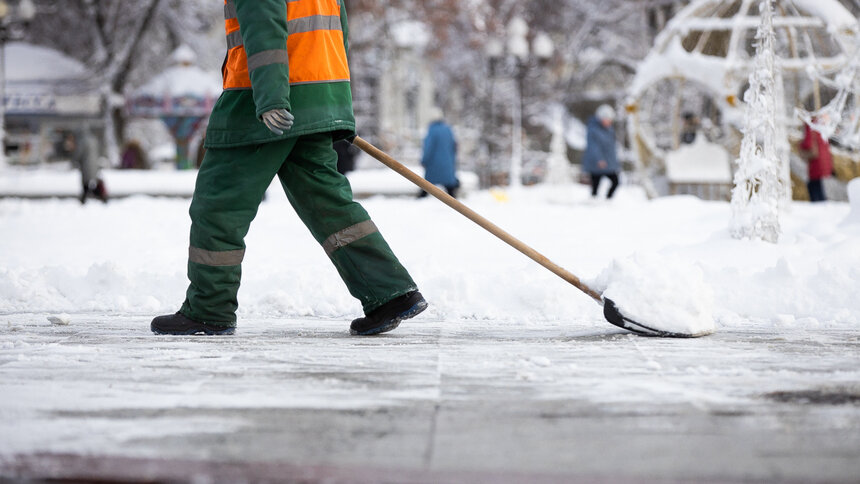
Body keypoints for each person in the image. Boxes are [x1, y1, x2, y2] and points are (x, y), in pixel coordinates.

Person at [151, 0, 426, 336]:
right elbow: (339, 34)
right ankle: (389, 293)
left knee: (219, 204)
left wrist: (271, 100)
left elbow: (264, 28)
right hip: (320, 97)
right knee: (328, 204)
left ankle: (209, 310)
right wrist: (335, 105)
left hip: (260, 101)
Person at [419, 107, 459, 198]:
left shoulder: (432, 130)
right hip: (447, 164)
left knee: (427, 185)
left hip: (434, 164)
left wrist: (424, 160)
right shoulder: (448, 129)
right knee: (450, 189)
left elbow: (428, 148)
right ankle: (455, 203)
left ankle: (419, 200)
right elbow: (454, 147)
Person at [583, 104, 620, 199]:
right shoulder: (593, 130)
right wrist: (599, 159)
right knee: (596, 185)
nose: (609, 121)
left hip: (609, 162)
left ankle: (608, 200)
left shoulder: (609, 130)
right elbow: (593, 147)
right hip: (597, 163)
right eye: (607, 119)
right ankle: (594, 203)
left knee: (615, 182)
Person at [64, 131, 108, 204]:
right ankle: (92, 197)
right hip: (94, 164)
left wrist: (74, 160)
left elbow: (79, 153)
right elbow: (100, 151)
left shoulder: (82, 141)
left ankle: (85, 198)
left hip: (86, 165)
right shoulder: (94, 140)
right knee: (91, 181)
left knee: (86, 182)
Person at [799, 120, 833, 202]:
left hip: (815, 160)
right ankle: (822, 203)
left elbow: (808, 143)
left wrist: (800, 144)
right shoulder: (822, 125)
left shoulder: (810, 125)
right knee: (817, 183)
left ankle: (819, 204)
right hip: (824, 159)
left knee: (813, 183)